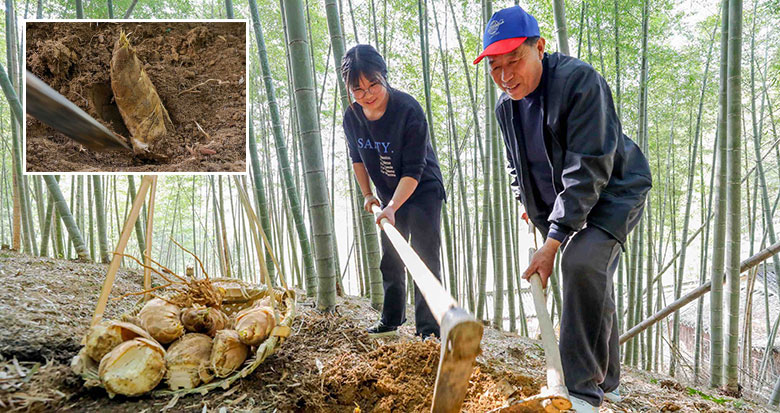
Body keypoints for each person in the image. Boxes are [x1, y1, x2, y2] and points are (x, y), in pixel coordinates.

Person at [473, 6, 652, 412]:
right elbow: (518, 166)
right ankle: (608, 380)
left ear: (540, 46)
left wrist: (553, 240)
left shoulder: (578, 82)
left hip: (614, 189)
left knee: (582, 263)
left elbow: (588, 167)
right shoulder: (507, 108)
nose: (505, 76)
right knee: (591, 276)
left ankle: (582, 393)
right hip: (563, 203)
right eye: (494, 67)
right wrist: (528, 204)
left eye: (514, 60)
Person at [341, 44, 446, 339]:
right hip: (387, 192)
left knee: (424, 256)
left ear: (384, 76)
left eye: (373, 84)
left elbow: (414, 170)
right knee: (390, 257)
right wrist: (368, 195)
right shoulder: (352, 118)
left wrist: (393, 206)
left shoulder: (408, 110)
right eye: (358, 89)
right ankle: (391, 319)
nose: (367, 94)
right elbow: (357, 159)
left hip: (422, 188)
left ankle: (429, 329)